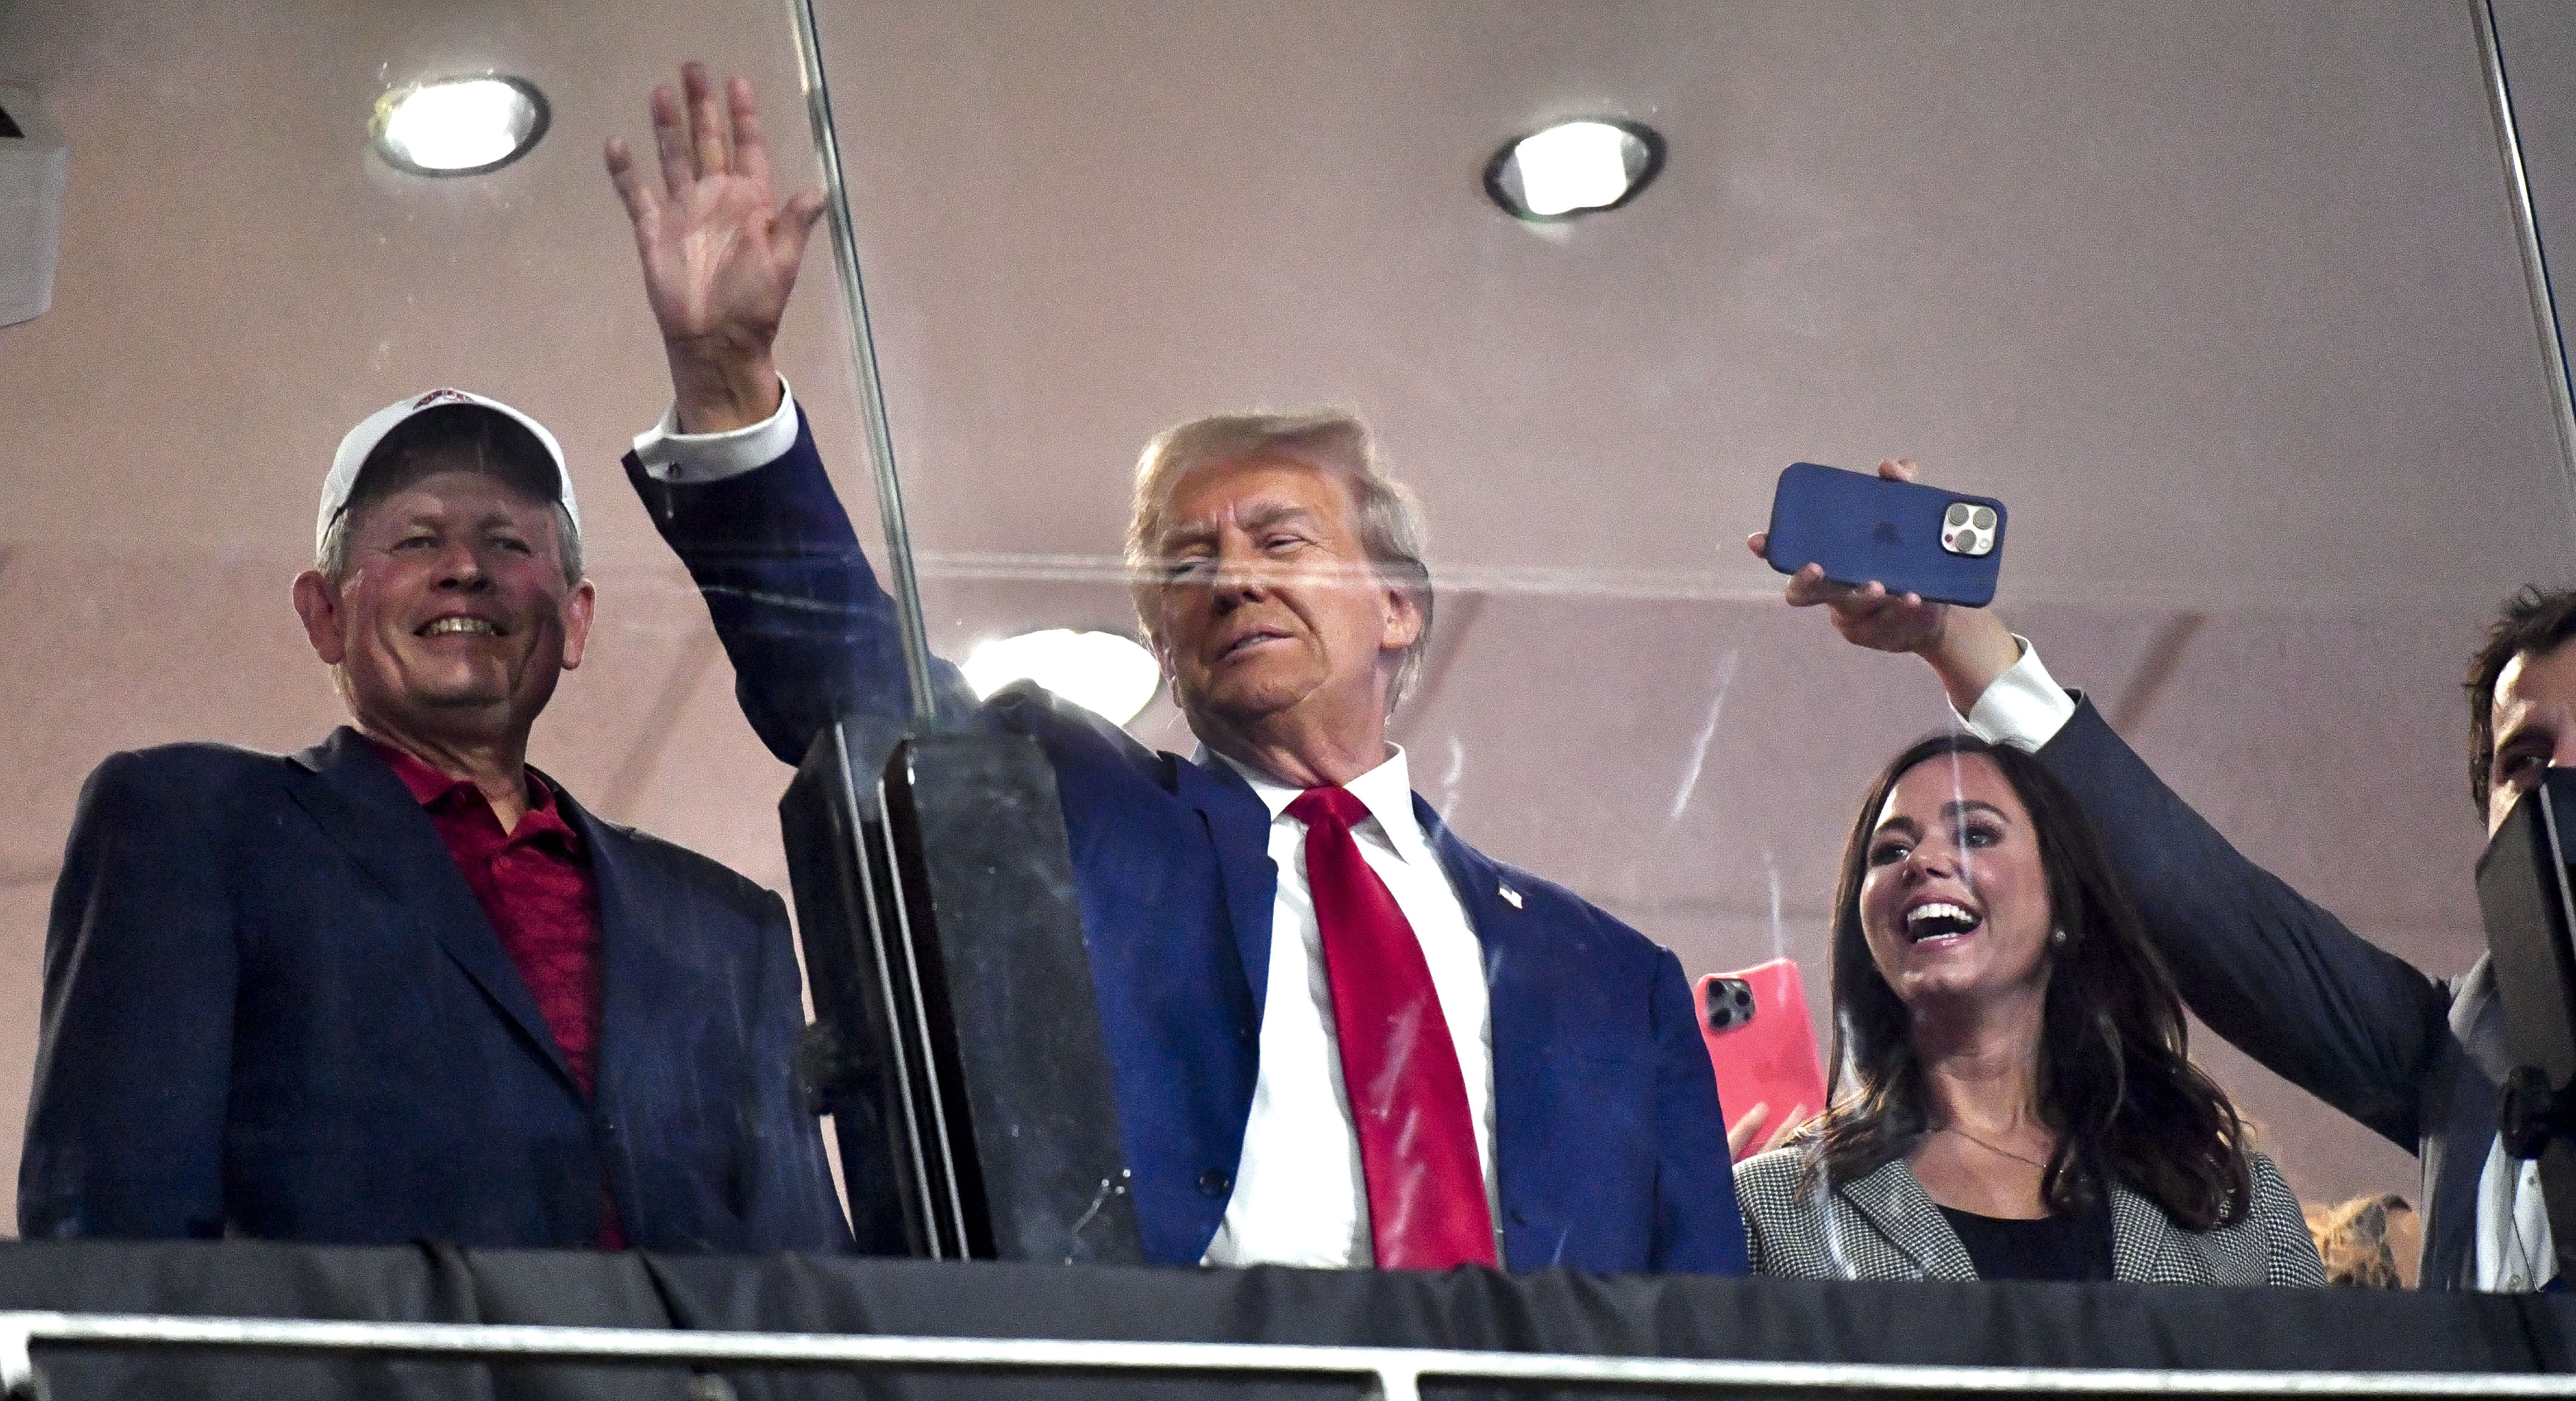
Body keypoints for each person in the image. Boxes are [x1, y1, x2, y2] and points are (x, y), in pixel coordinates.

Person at [601, 64, 1746, 1272]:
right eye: (1189, 562)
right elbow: (841, 676)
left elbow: (1716, 1339)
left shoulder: (1614, 982)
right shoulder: (1079, 813)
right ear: (1163, 641)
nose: (1234, 577)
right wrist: (729, 391)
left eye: (1282, 539)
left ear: (1399, 606)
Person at [19, 388, 852, 1253]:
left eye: (508, 542)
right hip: (360, 1391)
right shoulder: (191, 826)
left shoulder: (726, 925)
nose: (464, 567)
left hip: (690, 1391)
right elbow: (114, 1242)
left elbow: (808, 1280)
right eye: (417, 538)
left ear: (575, 620)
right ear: (325, 612)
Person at [1753, 465, 2573, 1290]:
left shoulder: (2223, 1208)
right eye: (2525, 760)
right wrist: (1951, 637)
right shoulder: (2461, 1051)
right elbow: (2204, 902)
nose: (2562, 777)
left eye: (1976, 834)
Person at [1734, 734, 2325, 1284]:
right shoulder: (1770, 1208)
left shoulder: (2233, 1199)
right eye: (1890, 849)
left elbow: (2316, 1394)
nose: (1921, 862)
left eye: (1976, 835)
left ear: (2064, 902)